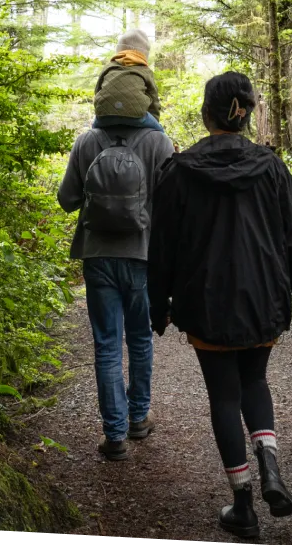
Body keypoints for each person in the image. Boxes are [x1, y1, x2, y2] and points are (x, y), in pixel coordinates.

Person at [147, 71, 292, 539]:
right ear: (245, 115)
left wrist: (157, 304)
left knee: (223, 395)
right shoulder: (271, 167)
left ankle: (243, 503)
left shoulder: (180, 171)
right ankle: (272, 472)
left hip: (205, 303)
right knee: (255, 382)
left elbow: (161, 247)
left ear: (208, 113)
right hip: (264, 299)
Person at [57, 38, 176, 460]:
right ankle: (139, 418)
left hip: (97, 256)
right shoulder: (159, 144)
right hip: (142, 257)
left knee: (107, 344)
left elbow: (67, 200)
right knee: (140, 339)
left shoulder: (87, 141)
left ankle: (114, 436)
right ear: (144, 90)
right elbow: (169, 209)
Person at [93, 29, 165, 134]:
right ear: (144, 54)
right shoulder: (145, 70)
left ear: (119, 50)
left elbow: (98, 90)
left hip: (105, 115)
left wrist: (101, 109)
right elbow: (154, 100)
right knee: (160, 131)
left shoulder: (108, 67)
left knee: (94, 129)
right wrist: (155, 120)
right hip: (136, 116)